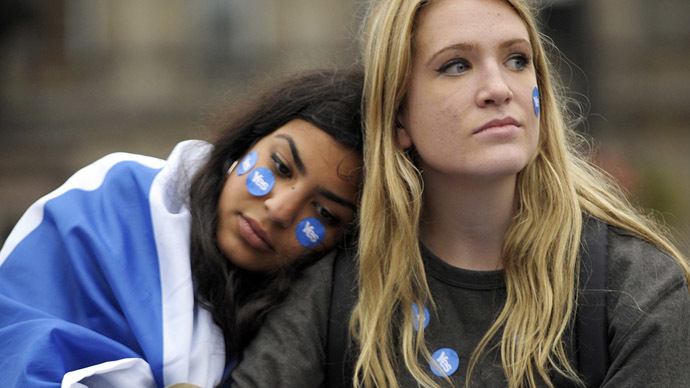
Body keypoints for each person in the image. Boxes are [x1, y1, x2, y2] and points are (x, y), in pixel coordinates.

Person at [229, 0, 690, 387]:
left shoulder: (637, 290)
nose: (497, 89)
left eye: (517, 59)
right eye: (456, 65)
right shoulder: (334, 291)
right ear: (398, 117)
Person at [0, 67, 364, 388]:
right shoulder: (111, 199)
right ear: (248, 141)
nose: (280, 209)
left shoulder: (317, 322)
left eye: (325, 213)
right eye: (281, 167)